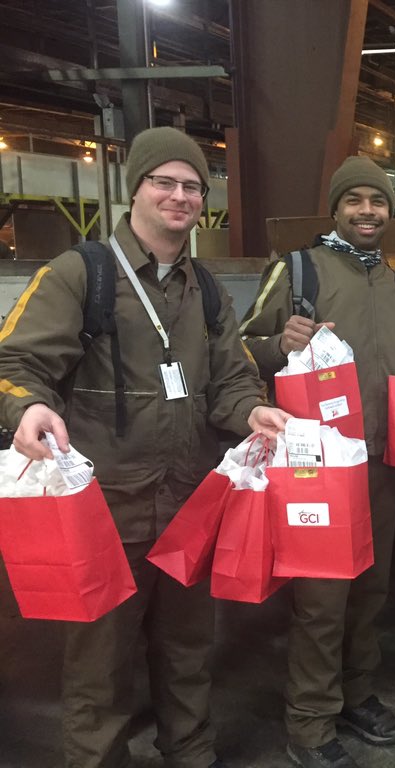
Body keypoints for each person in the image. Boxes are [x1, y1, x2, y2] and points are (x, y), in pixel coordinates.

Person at [0, 126, 290, 768]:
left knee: (188, 648)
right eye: (164, 181)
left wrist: (252, 410)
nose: (179, 195)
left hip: (186, 503)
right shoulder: (82, 274)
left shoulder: (206, 290)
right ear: (137, 189)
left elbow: (232, 377)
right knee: (99, 662)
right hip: (106, 512)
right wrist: (27, 404)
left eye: (191, 185)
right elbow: (13, 359)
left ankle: (191, 751)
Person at [239, 155, 395, 768]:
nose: (367, 211)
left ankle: (357, 694)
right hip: (319, 470)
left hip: (381, 465)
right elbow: (240, 350)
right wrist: (278, 344)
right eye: (354, 200)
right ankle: (309, 725)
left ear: (390, 210)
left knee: (372, 589)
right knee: (323, 602)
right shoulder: (299, 270)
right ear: (335, 208)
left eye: (377, 201)